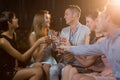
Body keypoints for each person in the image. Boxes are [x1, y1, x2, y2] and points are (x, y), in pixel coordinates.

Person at [58, 0, 120, 80]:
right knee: (75, 76)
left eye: (100, 17)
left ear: (108, 18)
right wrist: (68, 48)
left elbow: (87, 61)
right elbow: (88, 49)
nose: (98, 20)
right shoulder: (107, 41)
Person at [0, 11, 49, 80]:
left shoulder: (14, 34)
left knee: (38, 68)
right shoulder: (2, 41)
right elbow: (22, 58)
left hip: (13, 69)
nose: (17, 19)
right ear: (9, 22)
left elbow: (15, 54)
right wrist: (38, 42)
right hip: (5, 73)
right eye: (15, 18)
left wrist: (16, 66)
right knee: (37, 72)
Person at [50, 5, 90, 80]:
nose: (64, 17)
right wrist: (55, 43)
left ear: (74, 15)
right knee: (53, 69)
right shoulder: (64, 30)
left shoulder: (86, 30)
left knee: (64, 70)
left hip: (80, 64)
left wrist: (71, 48)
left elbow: (87, 52)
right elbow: (58, 50)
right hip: (65, 63)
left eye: (66, 14)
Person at [61, 10, 105, 80]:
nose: (86, 24)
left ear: (96, 21)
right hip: (89, 66)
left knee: (71, 70)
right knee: (67, 68)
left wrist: (71, 48)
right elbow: (85, 56)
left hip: (93, 68)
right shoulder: (91, 37)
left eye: (88, 21)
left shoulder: (101, 40)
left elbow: (86, 62)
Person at [29, 10, 57, 80]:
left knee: (46, 67)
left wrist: (56, 42)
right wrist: (44, 45)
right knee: (38, 66)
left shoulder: (52, 32)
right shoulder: (33, 35)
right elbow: (37, 60)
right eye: (47, 18)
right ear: (40, 20)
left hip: (49, 60)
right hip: (37, 61)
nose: (49, 20)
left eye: (49, 18)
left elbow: (55, 50)